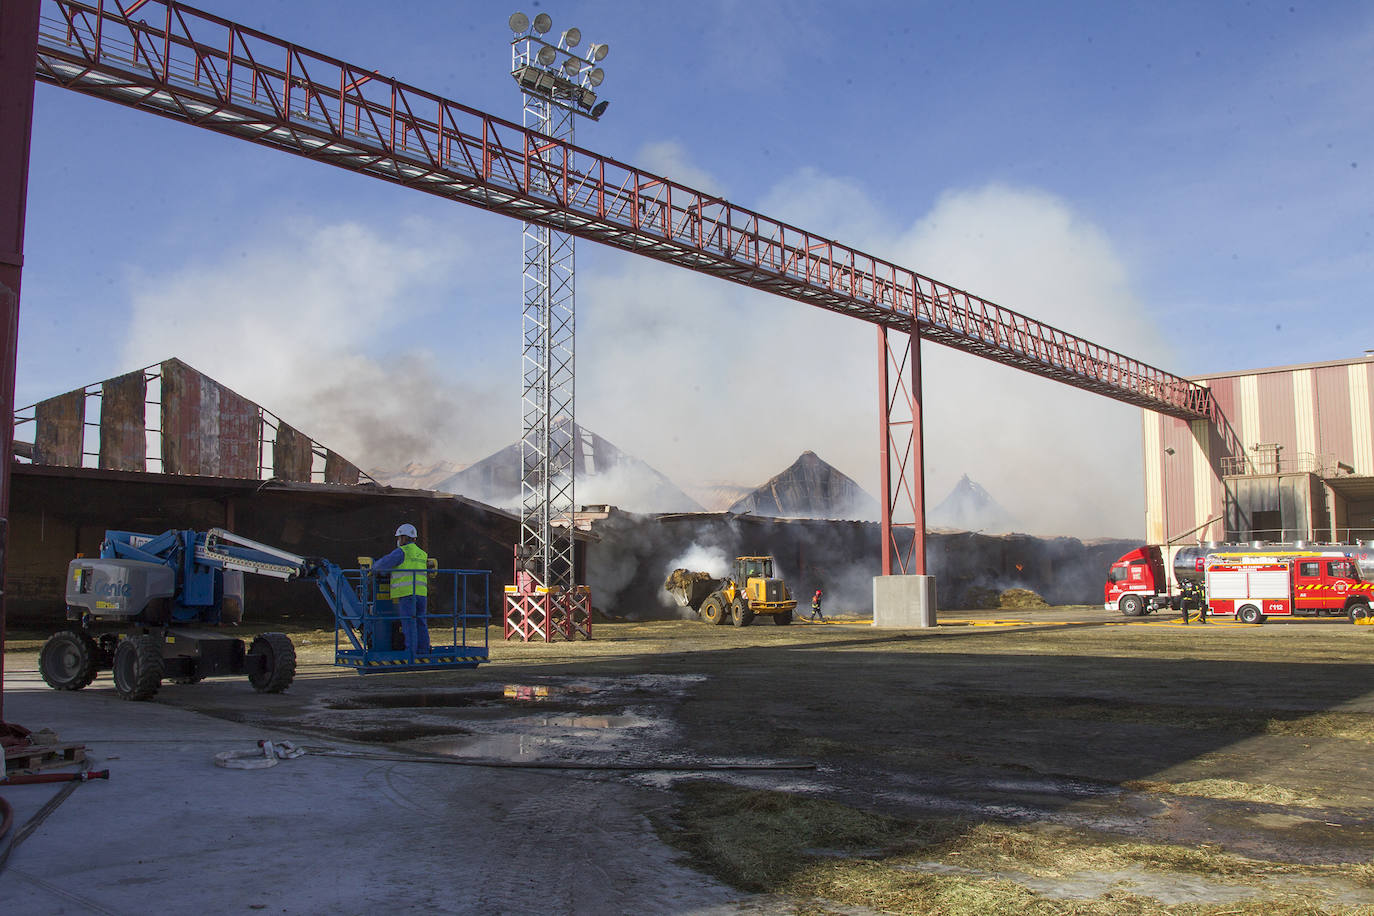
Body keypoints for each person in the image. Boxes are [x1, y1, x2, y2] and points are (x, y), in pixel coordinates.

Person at [372, 523, 430, 654]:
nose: (398, 540)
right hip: (421, 594)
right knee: (421, 621)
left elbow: (381, 566)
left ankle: (410, 652)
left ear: (403, 538)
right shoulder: (422, 554)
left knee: (409, 622)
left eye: (399, 537)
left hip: (407, 593)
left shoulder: (401, 552)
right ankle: (424, 650)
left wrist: (372, 567)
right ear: (414, 538)